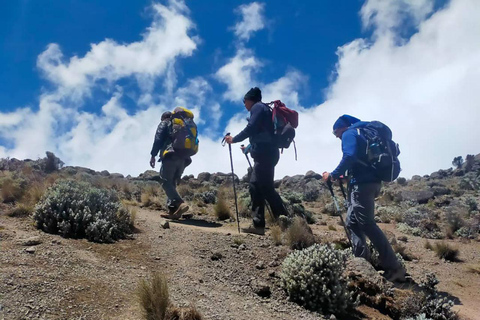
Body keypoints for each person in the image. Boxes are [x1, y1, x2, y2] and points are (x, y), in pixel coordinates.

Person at [322, 115, 406, 282]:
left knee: (366, 224)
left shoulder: (349, 133)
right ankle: (361, 263)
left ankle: (394, 268)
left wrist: (332, 174)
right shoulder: (363, 133)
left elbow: (350, 156)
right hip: (370, 182)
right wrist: (345, 177)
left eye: (335, 132)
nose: (337, 136)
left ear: (341, 127)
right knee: (353, 222)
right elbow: (359, 161)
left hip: (362, 185)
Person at [224, 87, 287, 235]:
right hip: (267, 153)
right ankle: (279, 221)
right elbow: (262, 136)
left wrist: (234, 139)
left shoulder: (257, 107)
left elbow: (251, 128)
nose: (244, 105)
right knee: (261, 187)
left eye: (244, 101)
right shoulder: (265, 109)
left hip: (265, 154)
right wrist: (248, 149)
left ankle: (280, 221)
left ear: (249, 99)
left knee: (259, 187)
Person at [150, 110, 191, 219]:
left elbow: (158, 138)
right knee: (171, 183)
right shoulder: (183, 125)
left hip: (170, 156)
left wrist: (153, 155)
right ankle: (173, 212)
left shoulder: (165, 123)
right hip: (183, 159)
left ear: (163, 118)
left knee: (164, 181)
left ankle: (180, 203)